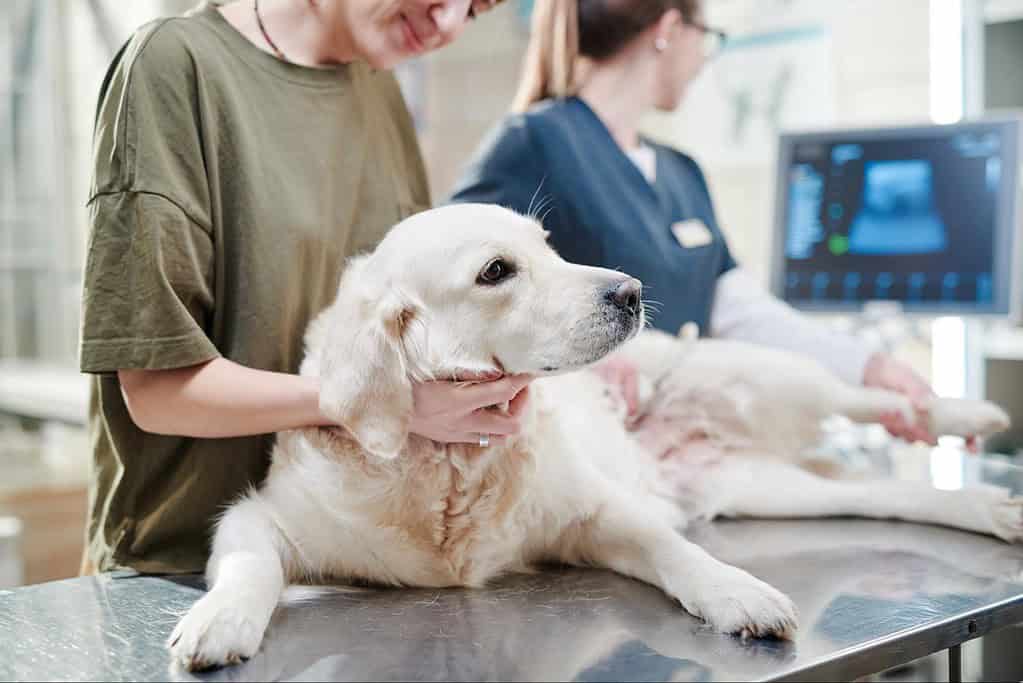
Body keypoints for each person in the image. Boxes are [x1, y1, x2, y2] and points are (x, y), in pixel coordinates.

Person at [79, 0, 530, 576]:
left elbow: (410, 338)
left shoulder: (380, 89)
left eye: (474, 12)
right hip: (180, 568)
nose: (446, 26)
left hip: (348, 560)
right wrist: (369, 400)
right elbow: (158, 390)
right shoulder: (175, 67)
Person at [449, 0, 939, 444]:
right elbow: (452, 307)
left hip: (685, 448)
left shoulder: (682, 171)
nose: (705, 59)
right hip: (586, 457)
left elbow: (741, 313)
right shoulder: (532, 144)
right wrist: (578, 372)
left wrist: (870, 368)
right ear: (668, 29)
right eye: (706, 37)